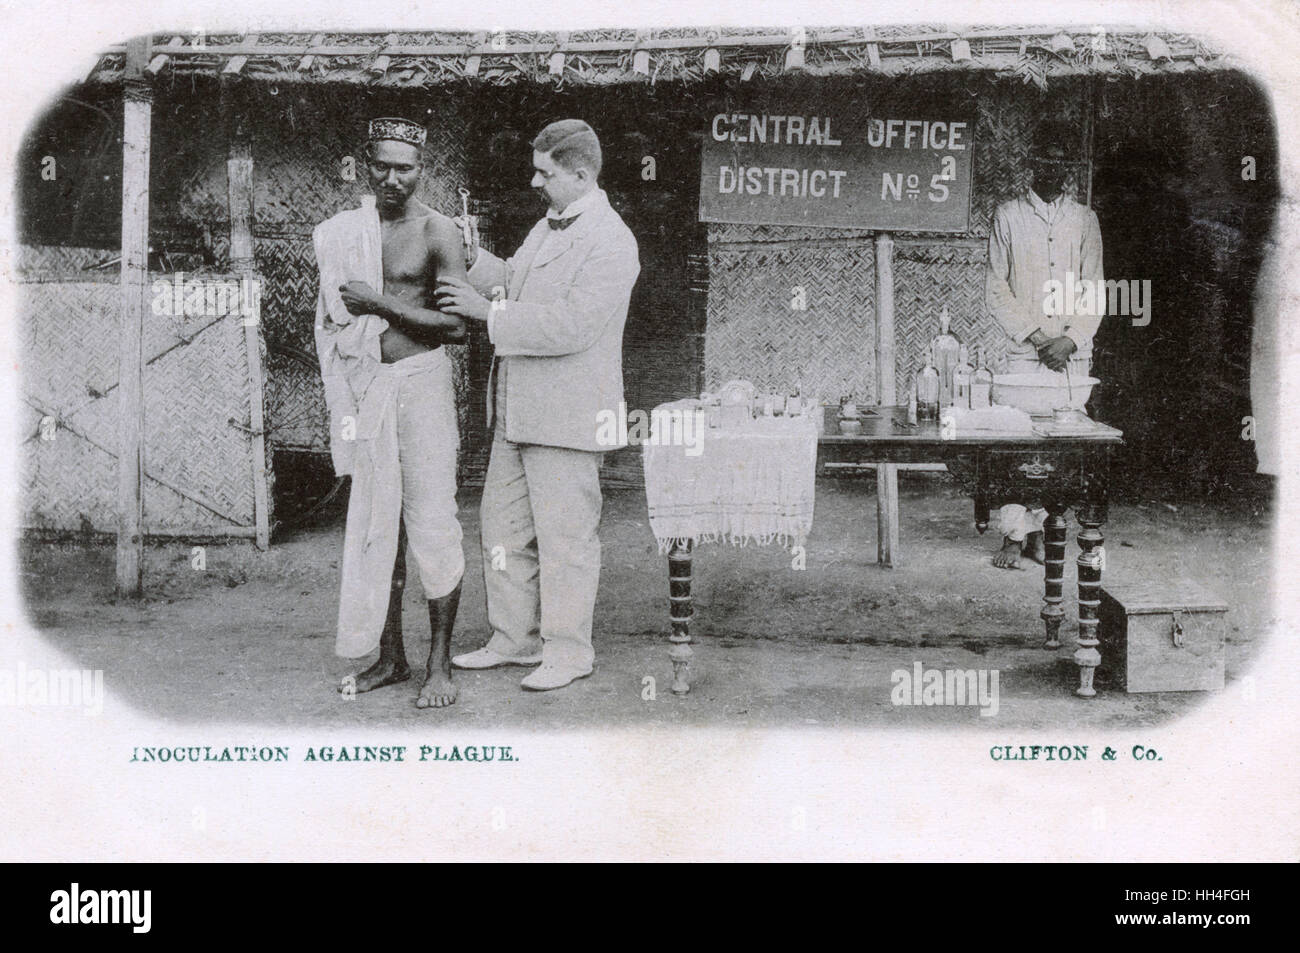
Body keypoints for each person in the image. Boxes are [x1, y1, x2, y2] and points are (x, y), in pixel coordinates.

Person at [437, 119, 640, 691]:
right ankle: (514, 638)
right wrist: (475, 259)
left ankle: (570, 650)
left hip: (569, 418)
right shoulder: (547, 227)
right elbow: (513, 282)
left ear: (580, 174)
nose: (534, 181)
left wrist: (486, 314)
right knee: (501, 532)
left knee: (566, 540)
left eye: (545, 173)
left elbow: (571, 325)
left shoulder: (611, 241)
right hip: (518, 412)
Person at [312, 117, 468, 707]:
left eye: (406, 168)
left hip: (421, 386)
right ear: (365, 164)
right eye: (383, 165)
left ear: (422, 169)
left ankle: (439, 666)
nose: (393, 178)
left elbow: (455, 327)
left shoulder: (438, 231)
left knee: (432, 520)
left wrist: (377, 301)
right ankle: (390, 657)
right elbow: (332, 318)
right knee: (379, 526)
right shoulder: (345, 233)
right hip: (368, 388)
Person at [985, 119, 1104, 569]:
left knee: (1060, 443)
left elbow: (1095, 286)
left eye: (1061, 162)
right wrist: (1037, 338)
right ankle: (1015, 536)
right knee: (1018, 439)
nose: (1052, 170)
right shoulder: (1008, 215)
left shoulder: (1084, 218)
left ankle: (1044, 532)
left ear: (1069, 168)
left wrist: (1071, 340)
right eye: (1044, 160)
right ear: (1031, 164)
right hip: (1025, 349)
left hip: (1071, 354)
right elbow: (996, 288)